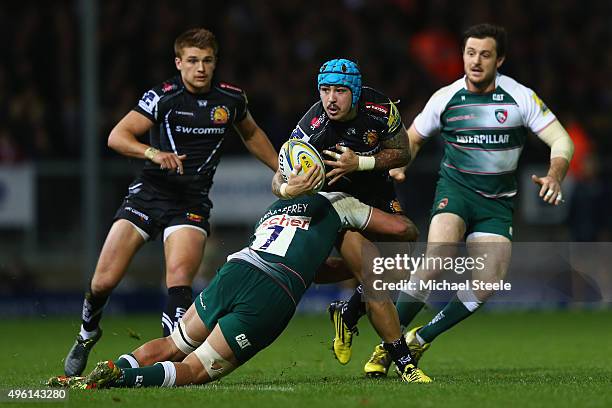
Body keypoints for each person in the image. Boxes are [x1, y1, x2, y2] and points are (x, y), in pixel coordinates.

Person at [48, 164, 430, 389]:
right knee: (196, 371)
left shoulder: (272, 210)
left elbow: (314, 270)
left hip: (236, 269)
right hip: (271, 292)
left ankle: (112, 368)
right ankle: (120, 380)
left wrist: (357, 267)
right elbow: (402, 230)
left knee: (173, 345)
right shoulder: (337, 202)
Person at [340, 23, 573, 377]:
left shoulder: (520, 97)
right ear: (462, 56)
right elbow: (412, 138)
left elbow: (562, 141)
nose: (476, 61)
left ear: (500, 59)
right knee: (438, 257)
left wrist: (555, 174)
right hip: (456, 193)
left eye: (485, 54)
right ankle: (390, 345)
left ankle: (421, 337)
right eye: (470, 53)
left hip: (497, 204)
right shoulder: (446, 98)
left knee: (488, 283)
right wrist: (405, 165)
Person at [63, 28, 278, 377]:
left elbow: (252, 134)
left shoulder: (232, 100)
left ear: (215, 62)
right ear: (178, 63)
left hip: (190, 202)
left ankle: (171, 362)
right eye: (192, 61)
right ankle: (88, 333)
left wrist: (281, 170)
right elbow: (117, 136)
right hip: (148, 196)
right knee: (103, 281)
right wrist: (152, 152)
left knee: (178, 280)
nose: (201, 68)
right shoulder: (162, 96)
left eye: (207, 61)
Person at [271, 59, 418, 367]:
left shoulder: (379, 108)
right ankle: (401, 361)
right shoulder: (312, 127)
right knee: (374, 276)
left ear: (354, 91)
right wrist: (288, 189)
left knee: (400, 268)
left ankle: (347, 313)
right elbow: (279, 176)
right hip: (341, 206)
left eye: (339, 91)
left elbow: (402, 152)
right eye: (324, 90)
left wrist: (359, 163)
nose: (330, 99)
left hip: (379, 195)